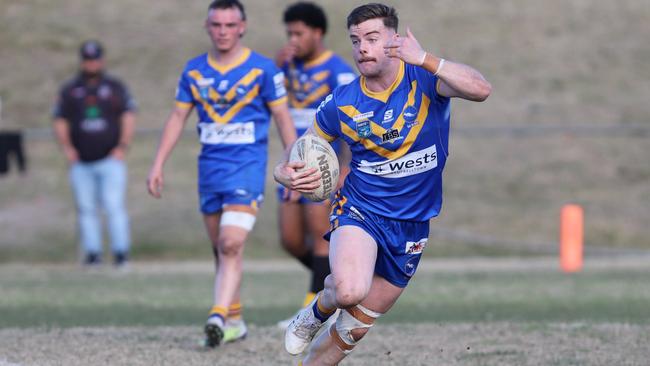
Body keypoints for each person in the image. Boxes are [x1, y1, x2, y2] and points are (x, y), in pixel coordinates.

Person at [273, 3, 491, 365]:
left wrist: (425, 58)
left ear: (394, 40)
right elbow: (300, 148)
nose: (362, 48)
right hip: (360, 209)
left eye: (372, 38)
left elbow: (481, 89)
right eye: (356, 40)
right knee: (348, 290)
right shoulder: (343, 101)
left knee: (349, 334)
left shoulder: (425, 79)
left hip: (411, 224)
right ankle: (314, 312)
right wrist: (284, 172)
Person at [146, 0, 297, 348]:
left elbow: (284, 119)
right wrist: (157, 164)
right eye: (217, 25)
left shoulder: (263, 70)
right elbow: (176, 119)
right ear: (207, 27)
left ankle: (217, 314)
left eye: (230, 25)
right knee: (223, 249)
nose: (223, 31)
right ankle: (236, 320)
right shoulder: (194, 71)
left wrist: (294, 161)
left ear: (242, 26)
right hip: (209, 172)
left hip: (247, 170)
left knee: (231, 243)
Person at [274, 1, 356, 329]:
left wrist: (346, 167)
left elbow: (352, 120)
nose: (292, 39)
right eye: (289, 33)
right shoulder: (287, 67)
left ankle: (314, 308)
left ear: (318, 33)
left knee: (321, 236)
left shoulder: (338, 71)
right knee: (291, 239)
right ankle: (339, 287)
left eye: (299, 33)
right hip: (293, 164)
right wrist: (276, 67)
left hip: (324, 167)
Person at [53, 40, 136, 268]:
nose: (91, 63)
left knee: (113, 206)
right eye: (88, 59)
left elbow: (128, 115)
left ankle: (121, 254)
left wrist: (123, 146)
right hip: (81, 161)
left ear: (102, 60)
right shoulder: (71, 89)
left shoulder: (115, 87)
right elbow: (60, 119)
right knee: (86, 209)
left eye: (95, 59)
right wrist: (67, 148)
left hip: (110, 159)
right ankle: (93, 254)